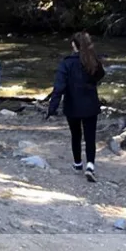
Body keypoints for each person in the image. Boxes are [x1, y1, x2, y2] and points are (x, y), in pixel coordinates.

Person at [47, 32, 106, 182]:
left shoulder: (66, 63)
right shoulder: (93, 61)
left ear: (74, 45)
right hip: (91, 104)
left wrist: (52, 107)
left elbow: (59, 87)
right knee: (90, 136)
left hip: (72, 105)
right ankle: (90, 165)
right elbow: (100, 75)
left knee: (76, 135)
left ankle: (78, 163)